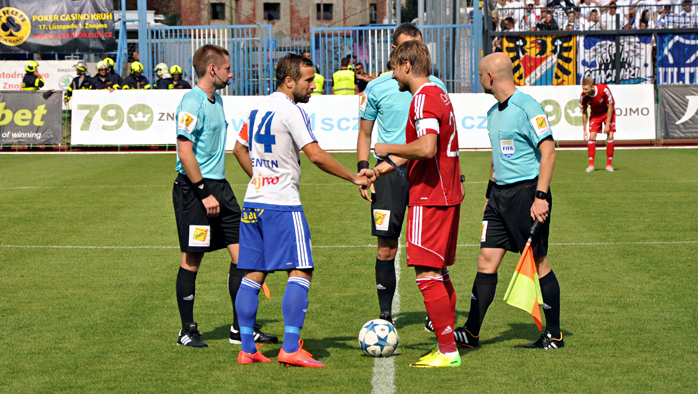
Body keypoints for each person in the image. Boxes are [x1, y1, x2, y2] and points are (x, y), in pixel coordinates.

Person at [231, 53, 370, 366]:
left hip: (253, 203)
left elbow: (239, 147)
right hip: (281, 205)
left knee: (253, 274)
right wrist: (353, 176)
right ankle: (291, 347)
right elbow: (316, 155)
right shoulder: (292, 111)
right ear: (289, 81)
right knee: (302, 269)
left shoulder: (257, 107)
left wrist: (259, 178)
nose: (313, 86)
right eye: (308, 80)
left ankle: (247, 348)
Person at [365, 40, 464, 368]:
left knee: (425, 272)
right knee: (439, 271)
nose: (392, 75)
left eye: (394, 67)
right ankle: (446, 340)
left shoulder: (423, 98)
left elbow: (426, 148)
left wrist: (384, 146)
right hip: (447, 193)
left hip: (429, 195)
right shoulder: (438, 94)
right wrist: (381, 168)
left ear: (407, 65)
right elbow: (417, 148)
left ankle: (447, 350)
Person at [172, 44, 277, 348]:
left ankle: (240, 328)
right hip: (195, 191)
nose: (232, 73)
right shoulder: (191, 103)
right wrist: (203, 192)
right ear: (213, 69)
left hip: (221, 188)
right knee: (192, 260)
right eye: (228, 68)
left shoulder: (216, 100)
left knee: (245, 257)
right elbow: (185, 152)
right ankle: (187, 330)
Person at [456, 52, 562, 350]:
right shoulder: (492, 113)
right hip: (499, 198)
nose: (478, 79)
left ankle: (553, 335)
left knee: (538, 262)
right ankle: (471, 332)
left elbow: (549, 151)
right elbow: (497, 157)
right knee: (486, 260)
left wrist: (540, 197)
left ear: (491, 76)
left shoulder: (528, 107)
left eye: (479, 74)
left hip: (528, 195)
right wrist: (490, 195)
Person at [357, 23, 448, 325]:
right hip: (388, 174)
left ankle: (435, 313)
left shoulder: (434, 87)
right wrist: (363, 170)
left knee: (429, 248)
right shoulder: (378, 86)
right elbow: (364, 133)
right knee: (386, 246)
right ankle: (385, 314)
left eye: (418, 44)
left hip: (425, 171)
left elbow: (437, 141)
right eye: (408, 45)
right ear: (397, 52)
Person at [580, 77, 616, 172]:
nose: (584, 91)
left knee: (610, 136)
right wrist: (585, 130)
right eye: (583, 89)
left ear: (592, 87)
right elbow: (584, 113)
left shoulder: (604, 90)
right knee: (592, 136)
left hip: (608, 112)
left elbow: (610, 107)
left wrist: (607, 124)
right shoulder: (583, 96)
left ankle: (609, 165)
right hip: (595, 114)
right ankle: (591, 165)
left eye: (586, 89)